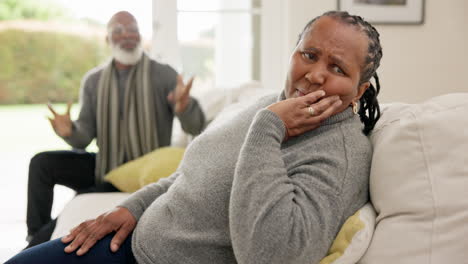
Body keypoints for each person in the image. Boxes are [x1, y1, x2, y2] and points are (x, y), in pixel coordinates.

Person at [8, 10, 382, 264]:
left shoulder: (340, 152)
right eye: (309, 54)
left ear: (361, 88)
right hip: (132, 242)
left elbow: (270, 254)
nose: (315, 75)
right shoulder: (270, 104)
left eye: (336, 68)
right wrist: (132, 207)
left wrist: (267, 128)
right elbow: (192, 173)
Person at [24, 10, 206, 247]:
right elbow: (84, 138)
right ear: (107, 40)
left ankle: (37, 245)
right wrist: (69, 132)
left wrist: (184, 107)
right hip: (105, 165)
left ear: (140, 36)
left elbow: (197, 125)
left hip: (140, 171)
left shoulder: (163, 74)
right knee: (42, 163)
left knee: (84, 197)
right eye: (118, 31)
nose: (127, 35)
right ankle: (36, 234)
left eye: (133, 29)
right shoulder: (94, 80)